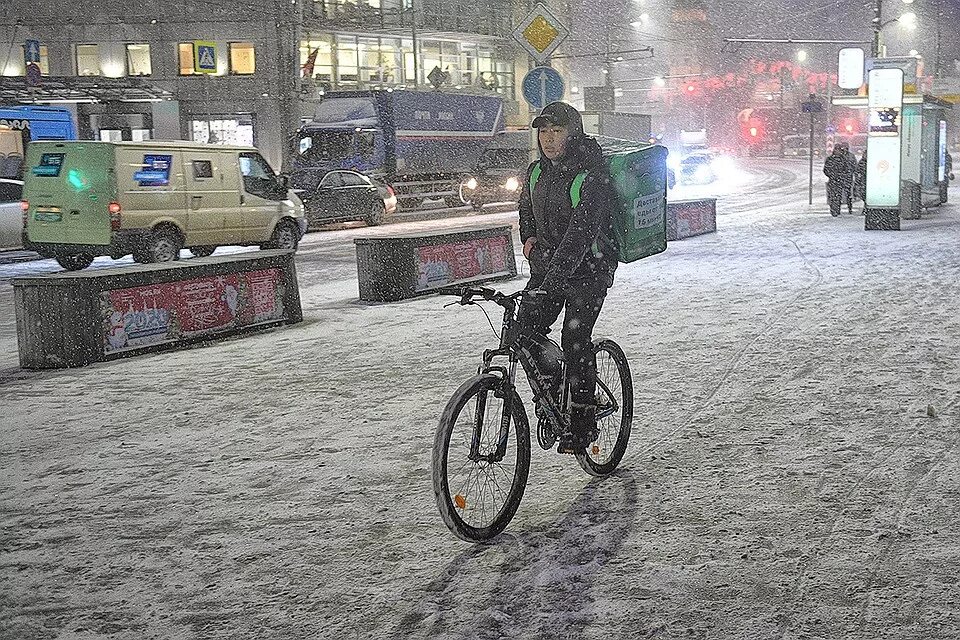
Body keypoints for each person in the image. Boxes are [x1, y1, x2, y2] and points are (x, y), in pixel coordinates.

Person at [517, 101, 618, 454]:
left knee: (575, 336)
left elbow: (580, 234)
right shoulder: (536, 172)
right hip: (549, 269)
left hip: (590, 270)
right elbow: (526, 210)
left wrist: (553, 278)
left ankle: (583, 418)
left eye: (556, 131)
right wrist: (529, 241)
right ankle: (556, 385)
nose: (548, 139)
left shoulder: (592, 175)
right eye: (543, 132)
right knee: (522, 330)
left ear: (572, 134)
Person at [823, 141, 856, 216]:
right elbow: (826, 169)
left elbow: (847, 169)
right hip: (833, 181)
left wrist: (842, 175)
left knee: (839, 196)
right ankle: (833, 209)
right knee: (832, 196)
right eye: (836, 149)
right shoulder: (830, 159)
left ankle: (838, 210)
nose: (837, 151)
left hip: (840, 181)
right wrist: (831, 175)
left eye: (839, 150)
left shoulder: (843, 159)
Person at [854, 149, 868, 213]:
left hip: (868, 181)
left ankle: (866, 207)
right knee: (863, 194)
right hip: (863, 180)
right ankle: (866, 206)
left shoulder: (872, 162)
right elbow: (857, 171)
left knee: (866, 195)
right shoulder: (862, 162)